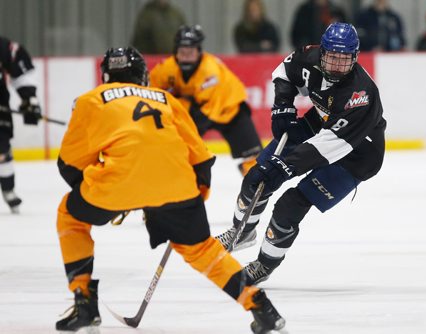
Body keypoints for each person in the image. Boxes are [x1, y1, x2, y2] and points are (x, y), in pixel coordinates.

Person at [54, 47, 285, 333]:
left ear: (106, 75)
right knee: (202, 251)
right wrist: (193, 199)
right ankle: (260, 307)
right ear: (142, 75)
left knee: (70, 215)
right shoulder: (166, 99)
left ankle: (84, 303)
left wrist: (115, 197)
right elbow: (201, 159)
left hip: (116, 186)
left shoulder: (89, 100)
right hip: (178, 189)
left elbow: (69, 165)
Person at [216, 23, 386, 285]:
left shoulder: (361, 95)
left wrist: (286, 166)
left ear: (355, 58)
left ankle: (264, 265)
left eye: (344, 61)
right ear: (322, 53)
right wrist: (283, 105)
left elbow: (331, 145)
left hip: (357, 155)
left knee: (289, 205)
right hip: (321, 123)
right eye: (332, 58)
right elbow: (285, 71)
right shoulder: (309, 57)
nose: (337, 66)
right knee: (257, 176)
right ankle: (242, 232)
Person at [150, 25, 263, 176]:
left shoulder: (210, 71)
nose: (186, 56)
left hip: (230, 110)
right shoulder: (167, 68)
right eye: (182, 52)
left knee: (256, 160)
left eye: (190, 52)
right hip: (199, 108)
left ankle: (255, 183)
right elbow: (149, 90)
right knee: (180, 148)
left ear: (199, 51)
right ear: (176, 52)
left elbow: (206, 113)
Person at [0, 36, 42, 213]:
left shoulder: (3, 47)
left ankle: (8, 189)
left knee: (1, 149)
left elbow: (21, 69)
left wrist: (29, 99)